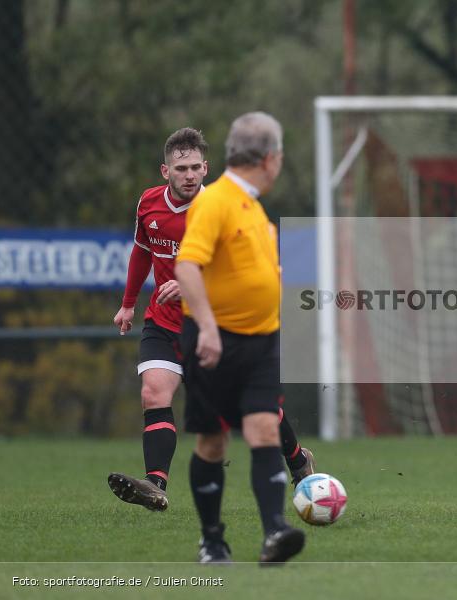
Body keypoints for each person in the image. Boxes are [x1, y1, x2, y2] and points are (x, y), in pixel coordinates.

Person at [108, 127, 314, 515]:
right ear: (165, 171)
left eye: (194, 168)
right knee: (154, 393)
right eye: (180, 168)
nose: (188, 175)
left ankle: (298, 459)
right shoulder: (148, 204)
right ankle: (155, 485)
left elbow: (238, 272)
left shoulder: (220, 209)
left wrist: (190, 285)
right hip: (164, 323)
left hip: (215, 327)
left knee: (254, 408)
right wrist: (128, 303)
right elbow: (142, 251)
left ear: (206, 168)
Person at [175, 112, 305, 565]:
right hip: (215, 340)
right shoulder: (216, 201)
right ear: (270, 159)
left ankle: (275, 533)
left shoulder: (253, 207)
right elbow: (186, 266)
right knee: (213, 441)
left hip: (261, 342)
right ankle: (212, 542)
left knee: (264, 428)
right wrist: (208, 328)